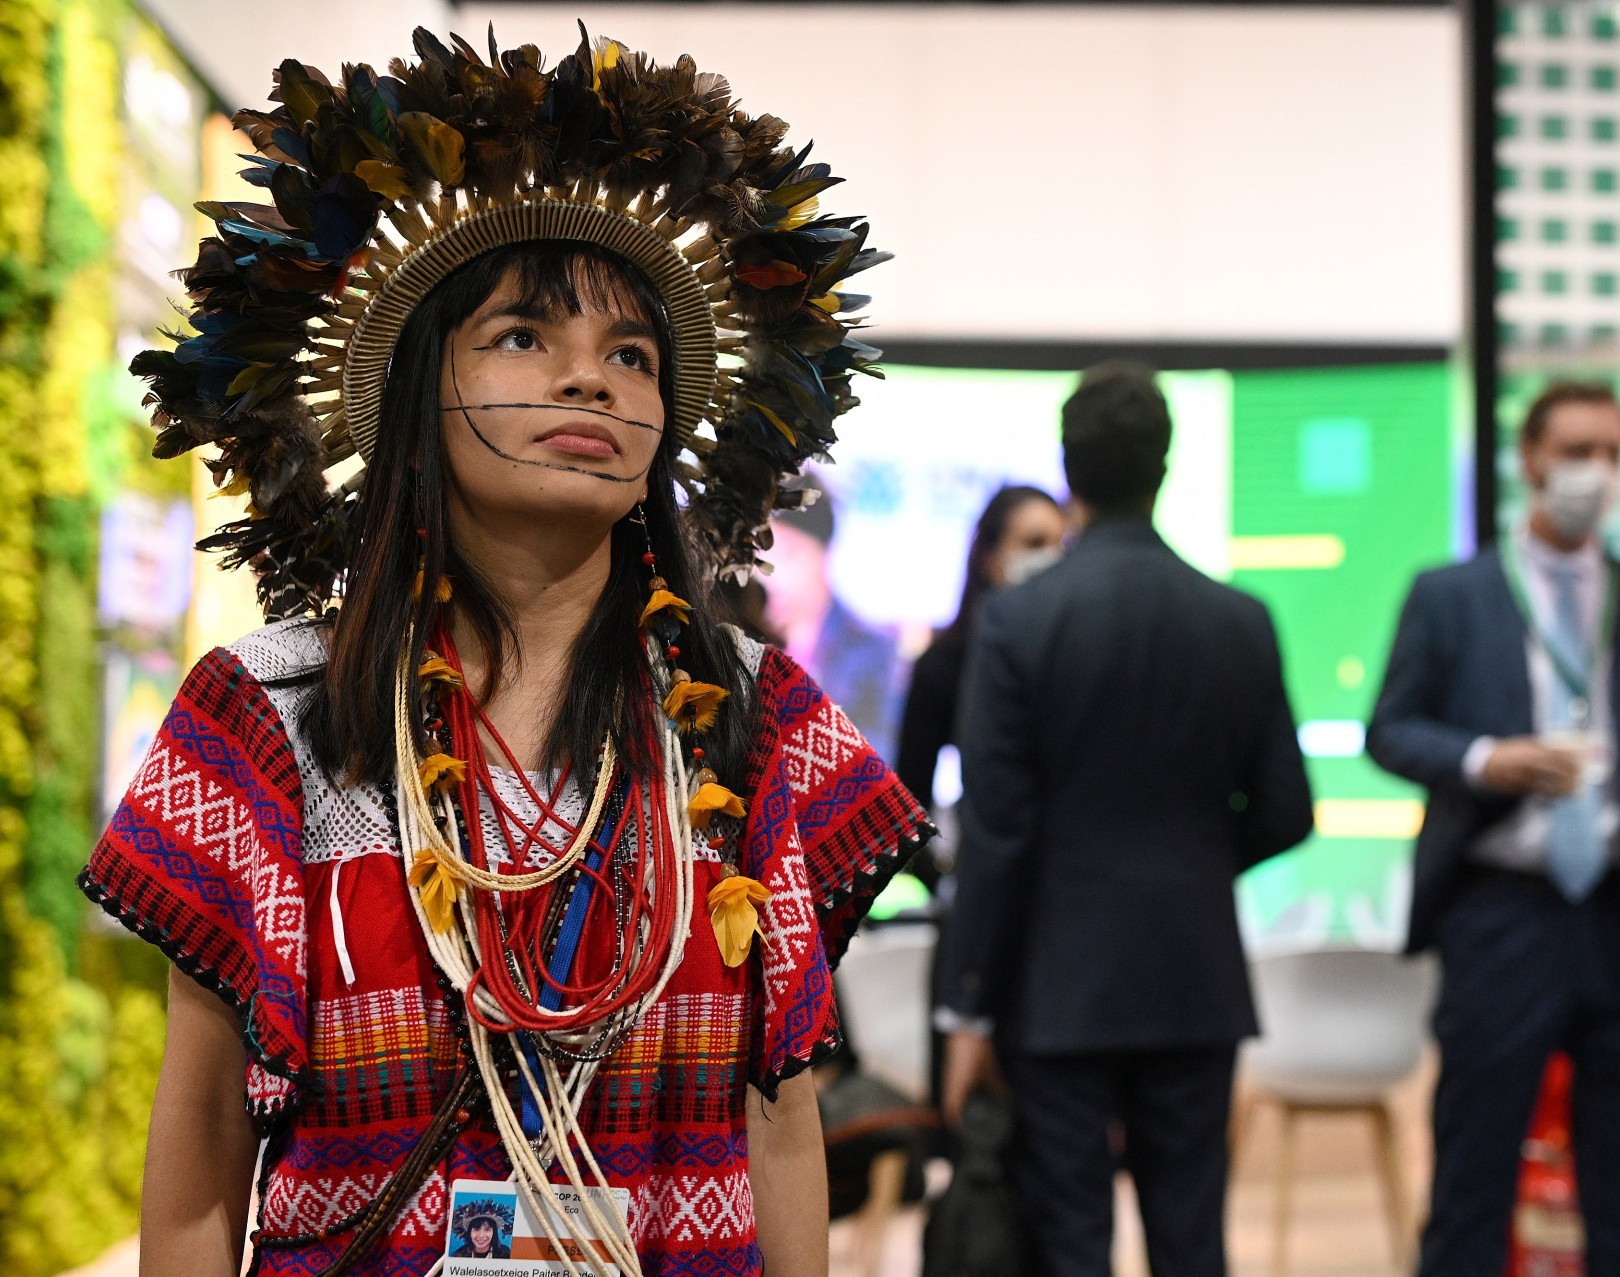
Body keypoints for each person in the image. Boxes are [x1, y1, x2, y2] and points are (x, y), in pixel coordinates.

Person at [79, 31, 925, 1277]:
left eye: (633, 355)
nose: (592, 378)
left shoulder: (758, 715)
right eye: (526, 336)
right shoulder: (264, 716)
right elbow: (201, 1130)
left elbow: (780, 1115)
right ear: (426, 387)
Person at [1368, 382, 1620, 1277]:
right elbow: (1388, 729)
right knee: (1473, 1184)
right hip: (1501, 914)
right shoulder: (1451, 594)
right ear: (1531, 459)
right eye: (1578, 450)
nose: (1596, 472)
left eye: (1613, 454)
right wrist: (1484, 758)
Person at [938, 364, 1314, 1277]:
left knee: (1071, 1244)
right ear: (1166, 466)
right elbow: (1287, 810)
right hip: (1194, 976)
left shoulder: (1020, 623)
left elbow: (998, 833)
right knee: (1194, 1242)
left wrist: (968, 1004)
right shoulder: (1241, 619)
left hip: (1057, 986)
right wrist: (1186, 865)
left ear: (1069, 471)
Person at [894, 483, 1068, 886]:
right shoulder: (944, 666)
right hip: (986, 884)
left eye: (1062, 543)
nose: (1052, 558)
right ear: (990, 558)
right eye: (1035, 542)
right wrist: (948, 882)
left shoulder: (1080, 656)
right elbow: (909, 807)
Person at [759, 480, 905, 759]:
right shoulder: (745, 634)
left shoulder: (872, 649)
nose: (772, 576)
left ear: (823, 553)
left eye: (789, 554)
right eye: (762, 557)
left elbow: (877, 756)